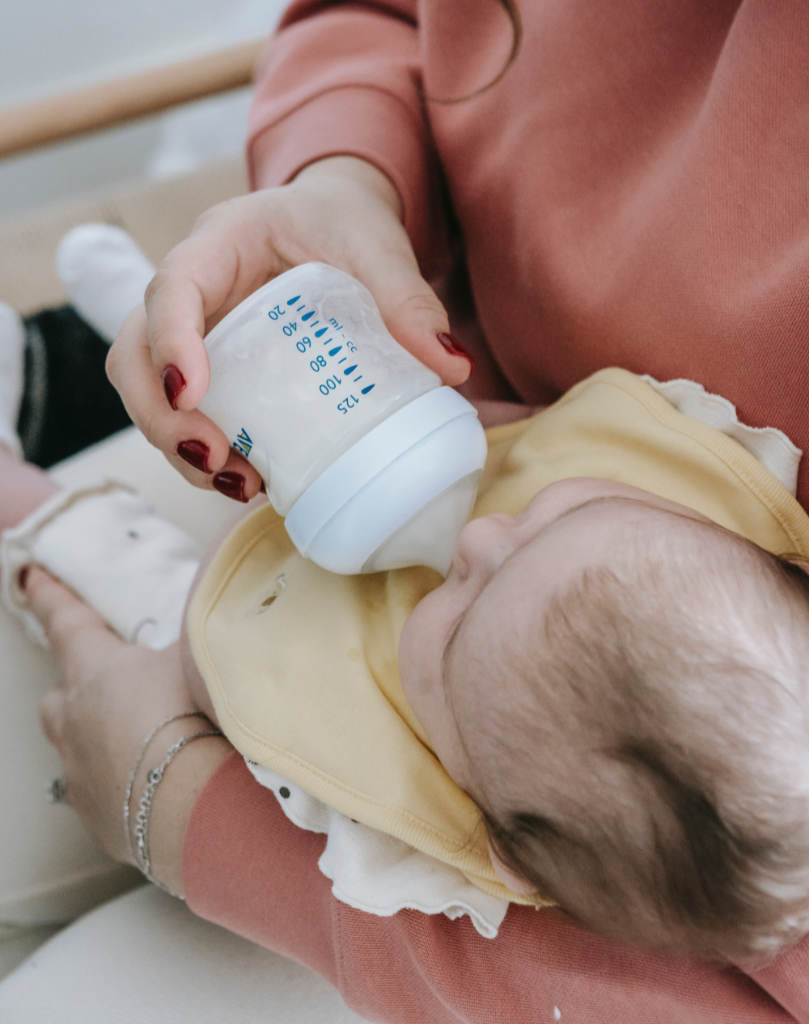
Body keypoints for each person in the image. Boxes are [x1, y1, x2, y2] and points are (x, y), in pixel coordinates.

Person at [5, 1, 809, 1020]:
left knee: (89, 597)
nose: (479, 533)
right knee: (198, 357)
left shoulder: (414, 836)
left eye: (460, 618)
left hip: (193, 643)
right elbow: (368, 13)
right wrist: (341, 175)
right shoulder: (670, 467)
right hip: (385, 364)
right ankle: (95, 333)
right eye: (552, 523)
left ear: (482, 824)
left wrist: (185, 808)